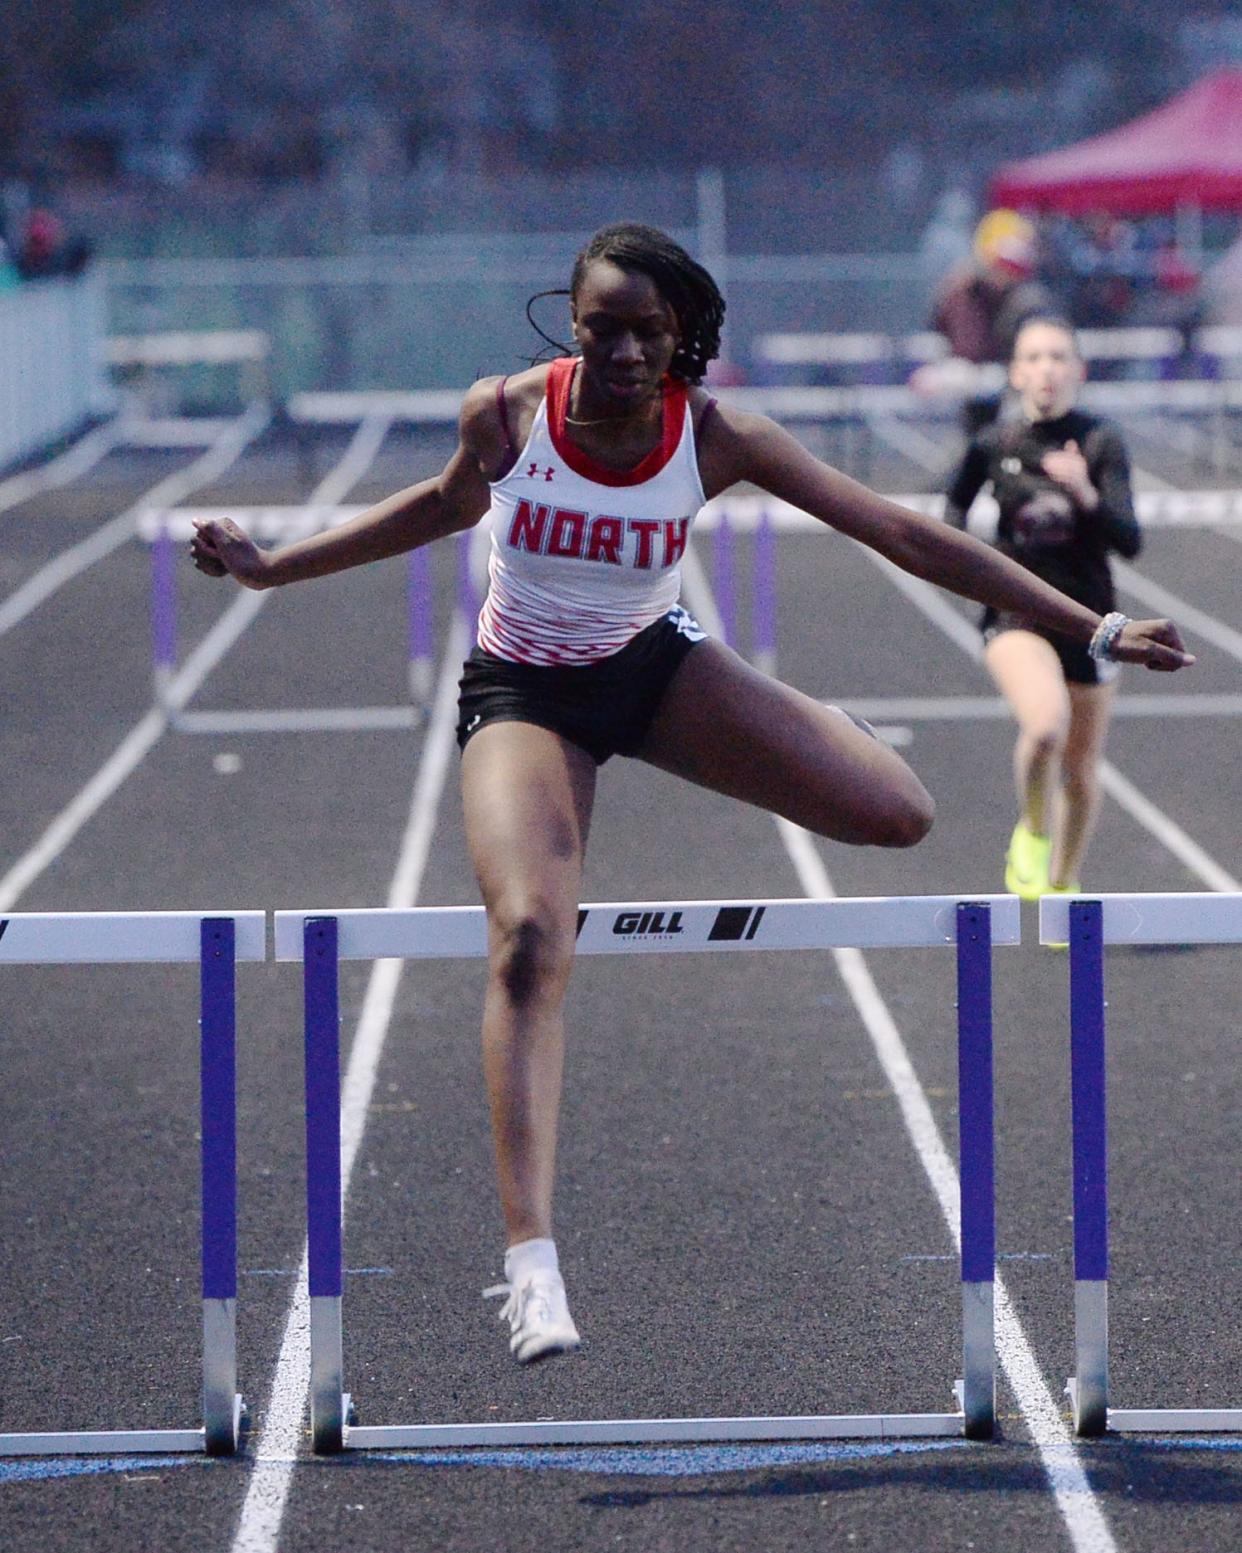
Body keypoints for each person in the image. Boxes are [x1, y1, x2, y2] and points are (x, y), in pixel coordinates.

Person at [191, 225, 1192, 1365]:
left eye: (645, 333)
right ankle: (530, 1262)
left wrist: (1094, 623)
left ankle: (819, 727)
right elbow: (439, 506)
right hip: (526, 693)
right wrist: (277, 566)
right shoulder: (505, 414)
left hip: (657, 669)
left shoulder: (715, 435)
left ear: (682, 338)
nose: (621, 352)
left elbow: (904, 532)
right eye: (600, 329)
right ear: (572, 328)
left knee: (898, 813)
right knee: (528, 934)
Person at [943, 314, 1148, 902]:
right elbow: (951, 513)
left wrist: (1085, 491)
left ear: (1077, 370)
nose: (1047, 369)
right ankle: (1033, 831)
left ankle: (1063, 886)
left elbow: (1130, 540)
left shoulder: (1101, 440)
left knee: (1082, 774)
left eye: (1059, 357)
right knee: (1043, 729)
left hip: (1091, 619)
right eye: (1034, 358)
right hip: (1018, 613)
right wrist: (979, 568)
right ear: (1016, 371)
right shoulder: (994, 443)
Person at [923, 209, 1057, 434]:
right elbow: (966, 347)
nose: (1005, 275)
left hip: (1014, 385)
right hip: (974, 384)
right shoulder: (964, 292)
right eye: (1002, 266)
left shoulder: (1026, 299)